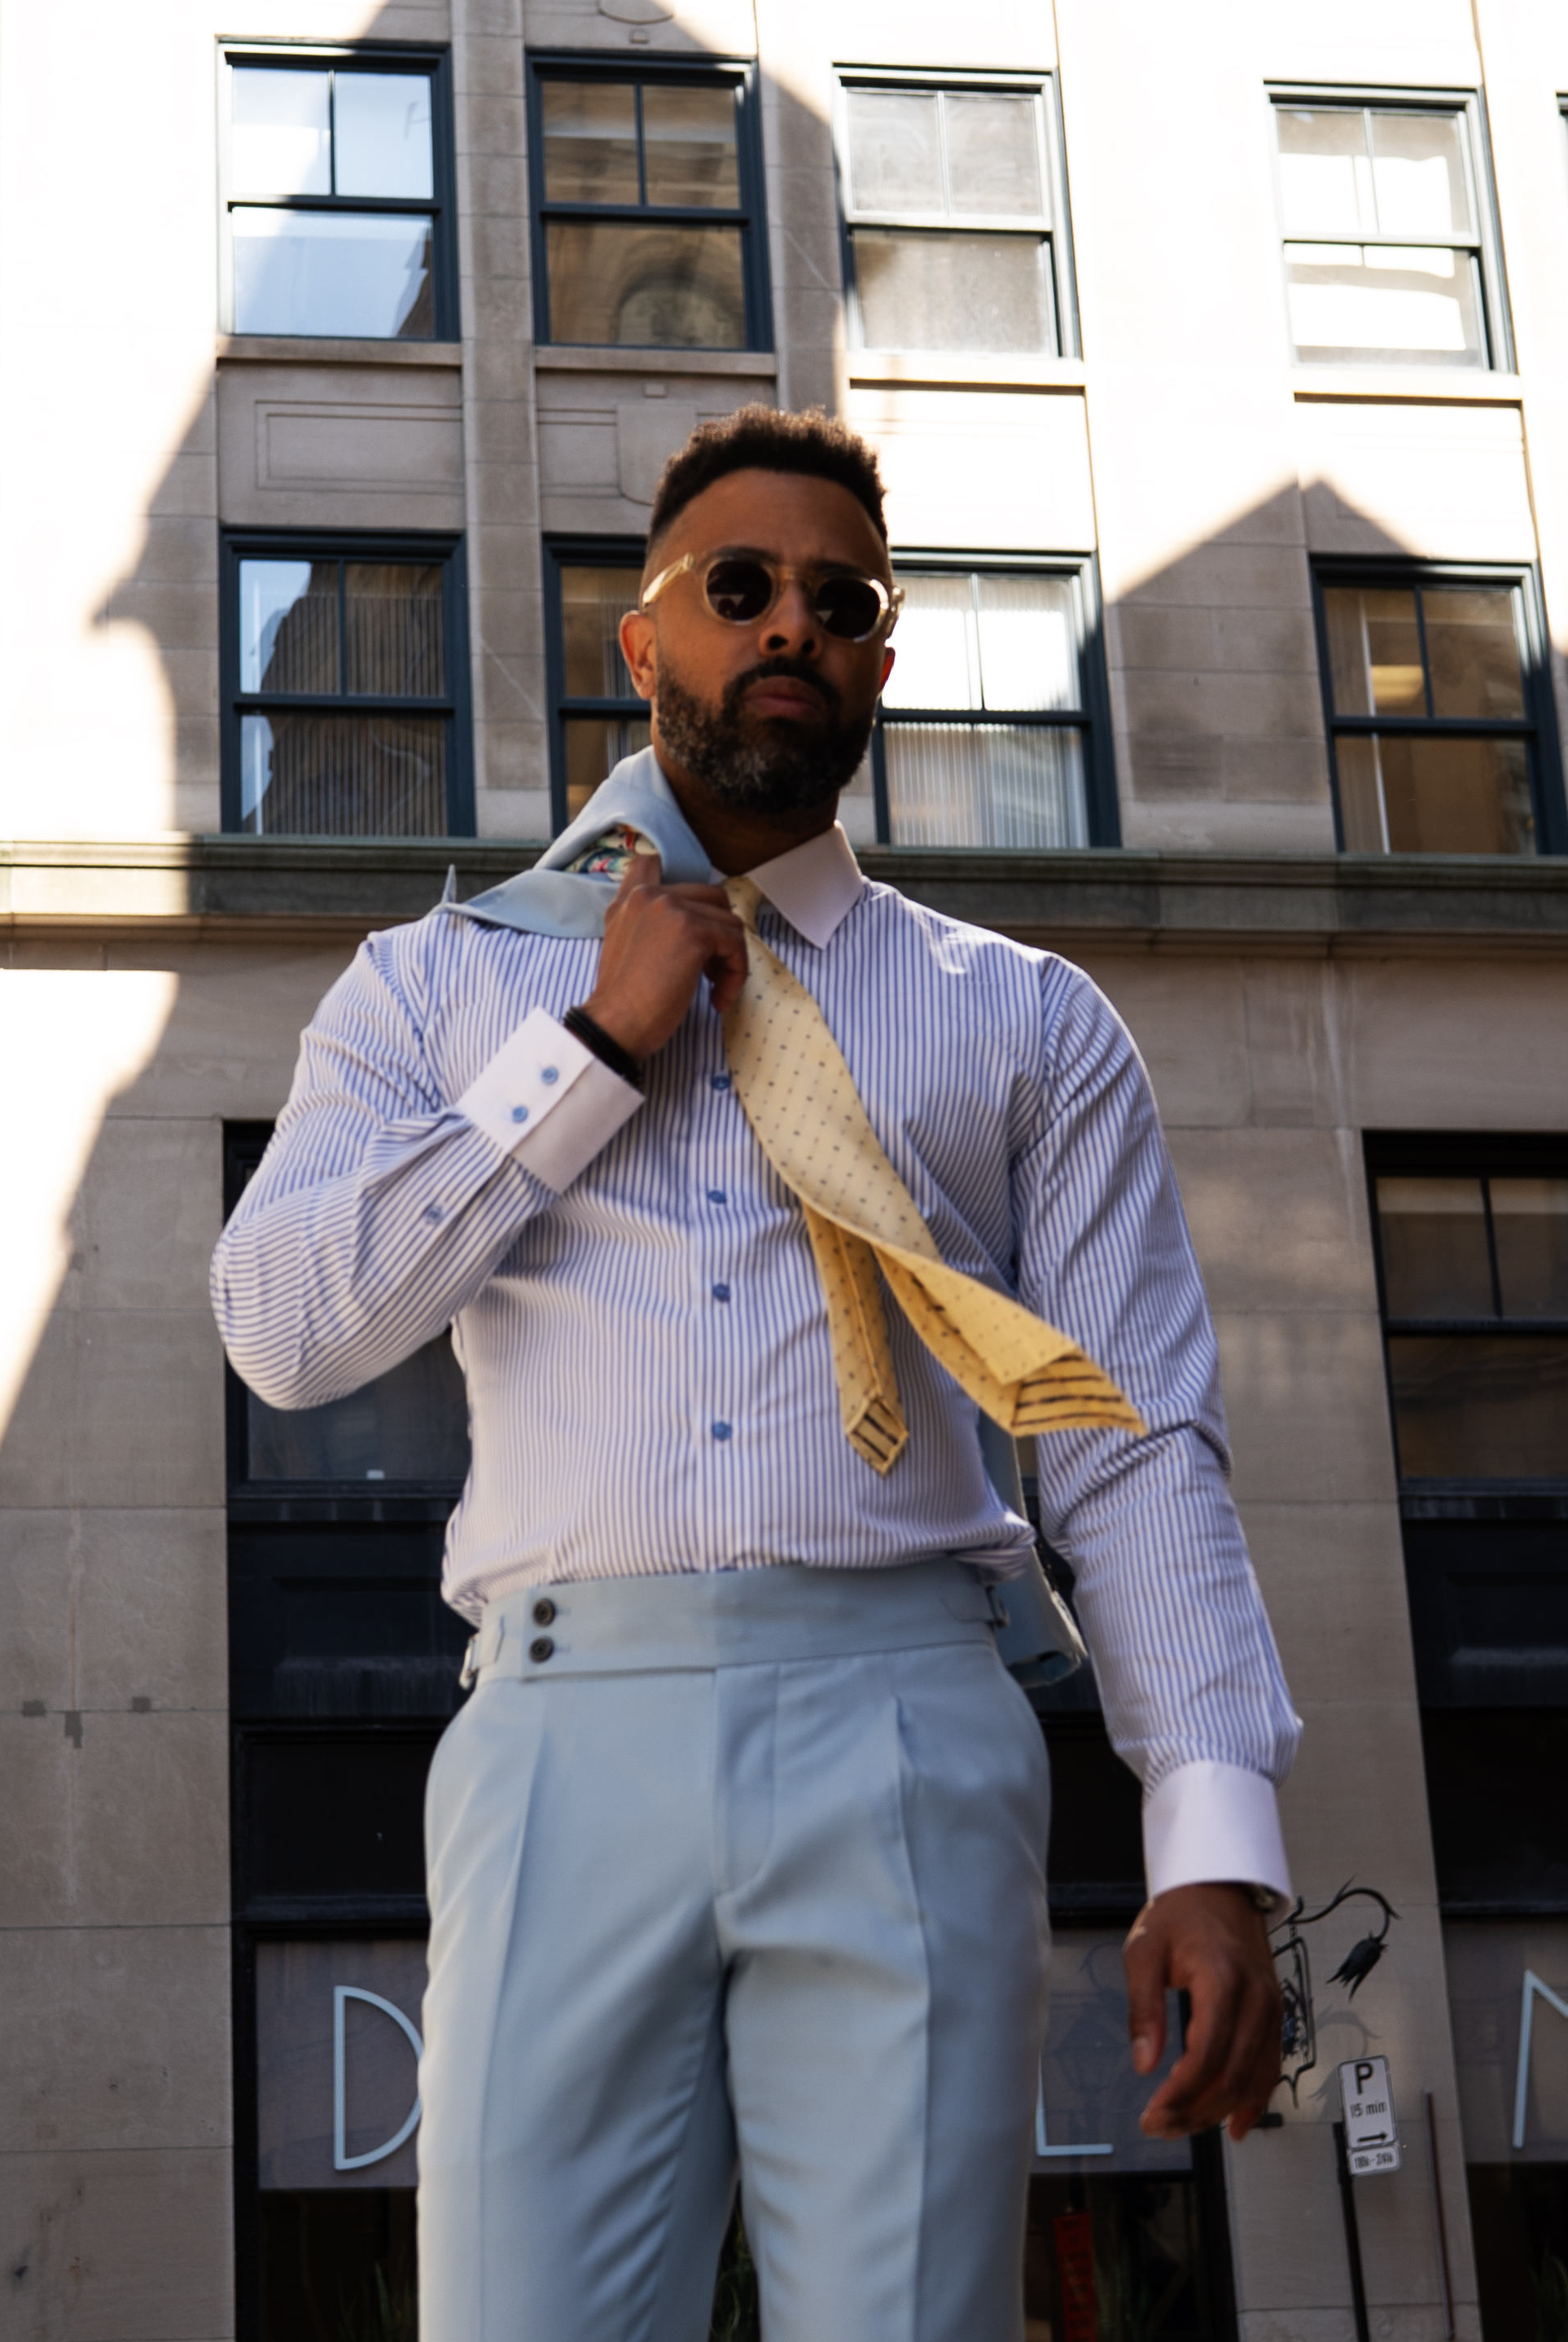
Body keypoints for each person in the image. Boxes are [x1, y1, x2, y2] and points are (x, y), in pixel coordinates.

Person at [212, 406, 1299, 2342]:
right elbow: (286, 1323)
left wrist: (1212, 1840)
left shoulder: (1026, 1021)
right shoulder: (434, 982)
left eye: (839, 600)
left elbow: (1132, 1452)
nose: (788, 623)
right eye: (740, 588)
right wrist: (595, 1049)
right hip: (561, 1729)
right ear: (641, 643)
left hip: (903, 1710)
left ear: (881, 658)